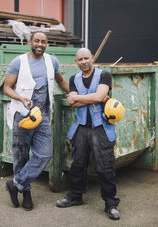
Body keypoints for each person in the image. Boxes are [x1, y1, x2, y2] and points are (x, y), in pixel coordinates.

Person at [4, 31, 69, 210]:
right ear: (30, 42)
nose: (40, 44)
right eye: (37, 41)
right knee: (21, 156)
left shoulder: (52, 61)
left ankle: (16, 183)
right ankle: (26, 192)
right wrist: (21, 98)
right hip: (22, 115)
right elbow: (7, 88)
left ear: (47, 44)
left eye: (43, 41)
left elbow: (60, 79)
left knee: (44, 154)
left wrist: (71, 94)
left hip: (42, 115)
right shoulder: (18, 62)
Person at [56, 48, 120, 220]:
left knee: (105, 167)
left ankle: (110, 203)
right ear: (76, 62)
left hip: (101, 128)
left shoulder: (104, 75)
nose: (84, 62)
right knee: (78, 164)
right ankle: (76, 196)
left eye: (86, 58)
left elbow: (99, 97)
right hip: (82, 128)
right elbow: (72, 103)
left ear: (92, 58)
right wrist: (92, 98)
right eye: (80, 59)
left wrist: (80, 98)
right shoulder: (74, 79)